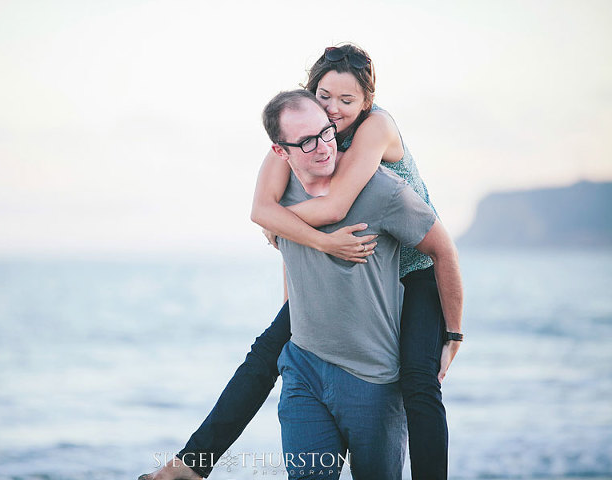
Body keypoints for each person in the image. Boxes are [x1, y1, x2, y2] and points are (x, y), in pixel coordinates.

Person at [140, 44, 463, 480]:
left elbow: (332, 207)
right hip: (359, 271)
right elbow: (263, 208)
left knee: (419, 383)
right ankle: (191, 466)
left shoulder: (375, 128)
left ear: (366, 100)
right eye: (325, 96)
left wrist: (280, 225)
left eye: (347, 100)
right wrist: (281, 233)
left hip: (414, 269)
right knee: (264, 355)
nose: (333, 110)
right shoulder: (298, 135)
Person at [262, 88, 461, 479]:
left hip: (372, 380)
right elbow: (291, 262)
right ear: (281, 152)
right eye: (304, 142)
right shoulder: (278, 202)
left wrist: (453, 334)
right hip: (304, 373)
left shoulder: (383, 190)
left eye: (325, 133)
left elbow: (444, 251)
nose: (321, 147)